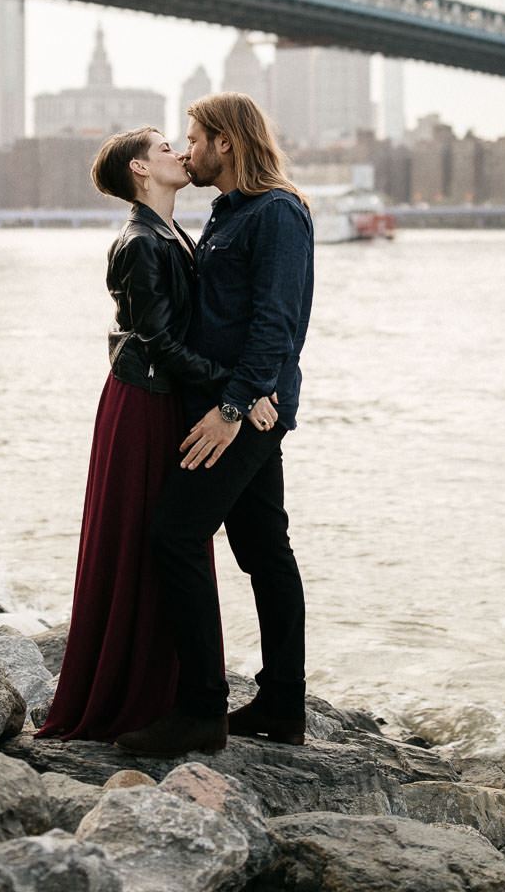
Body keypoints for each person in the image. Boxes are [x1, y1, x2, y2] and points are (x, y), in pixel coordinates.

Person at [36, 126, 271, 741]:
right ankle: (146, 694)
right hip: (141, 403)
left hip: (162, 401)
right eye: (167, 148)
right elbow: (158, 344)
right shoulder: (140, 242)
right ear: (141, 170)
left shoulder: (171, 233)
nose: (181, 153)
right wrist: (241, 392)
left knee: (165, 542)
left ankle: (172, 690)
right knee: (150, 539)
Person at [116, 91, 314, 757]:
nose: (187, 149)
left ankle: (203, 708)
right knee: (263, 549)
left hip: (243, 412)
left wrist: (236, 406)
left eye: (195, 138)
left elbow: (276, 323)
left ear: (226, 143)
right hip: (235, 402)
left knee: (174, 535)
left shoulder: (278, 211)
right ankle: (284, 704)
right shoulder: (231, 212)